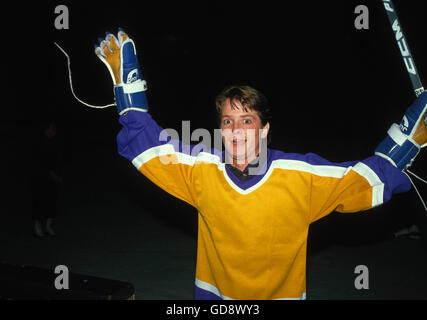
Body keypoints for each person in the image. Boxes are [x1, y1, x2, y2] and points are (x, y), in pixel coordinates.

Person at [95, 30, 427, 299]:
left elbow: (363, 179)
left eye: (247, 120)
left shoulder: (301, 176)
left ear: (265, 129)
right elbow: (150, 147)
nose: (236, 130)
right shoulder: (201, 170)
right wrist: (129, 94)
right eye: (227, 121)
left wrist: (409, 140)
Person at [29, 120, 63, 239]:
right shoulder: (39, 142)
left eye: (54, 129)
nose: (53, 131)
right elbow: (40, 161)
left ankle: (48, 227)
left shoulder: (55, 142)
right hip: (40, 177)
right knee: (39, 201)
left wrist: (58, 175)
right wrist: (52, 174)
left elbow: (57, 160)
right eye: (51, 129)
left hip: (52, 179)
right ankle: (37, 227)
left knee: (51, 201)